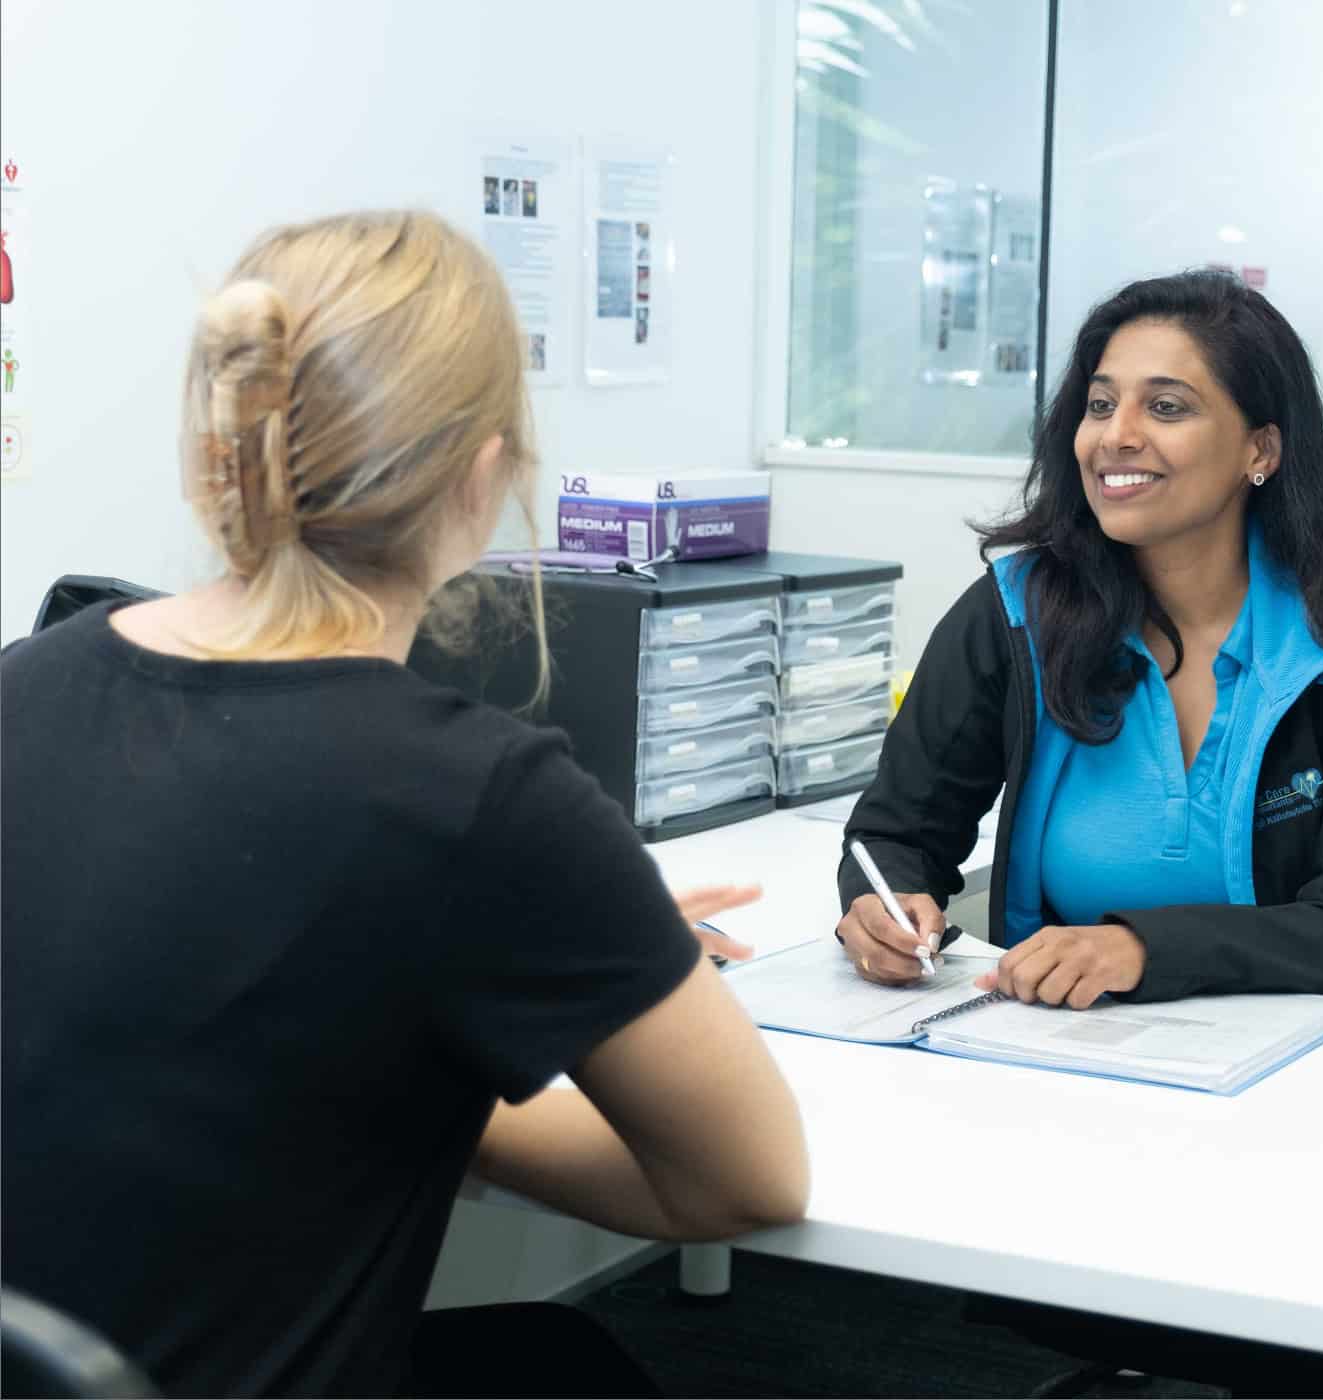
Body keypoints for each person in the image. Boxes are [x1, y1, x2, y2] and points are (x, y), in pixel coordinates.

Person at [0, 210, 808, 1398]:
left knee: (547, 1356)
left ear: (224, 448)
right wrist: (440, 1058)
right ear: (485, 476)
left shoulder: (24, 682)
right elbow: (746, 1180)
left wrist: (446, 985)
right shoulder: (479, 799)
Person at [835, 269, 1323, 1022]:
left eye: (1166, 407)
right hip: (1089, 1049)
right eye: (1101, 404)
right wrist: (880, 904)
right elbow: (895, 832)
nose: (1116, 435)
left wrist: (1139, 950)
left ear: (1260, 450)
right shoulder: (1016, 615)